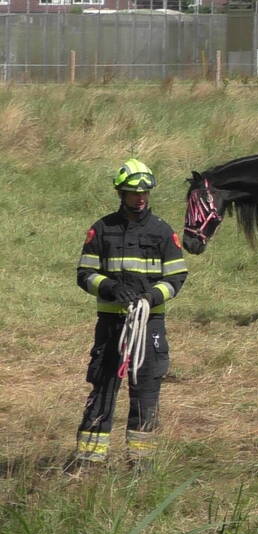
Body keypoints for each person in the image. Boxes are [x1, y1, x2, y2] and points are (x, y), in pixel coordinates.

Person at [66, 159, 188, 474]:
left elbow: (176, 278)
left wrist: (151, 296)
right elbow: (85, 274)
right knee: (103, 387)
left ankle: (140, 466)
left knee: (146, 391)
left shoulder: (162, 232)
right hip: (111, 326)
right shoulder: (102, 229)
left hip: (150, 326)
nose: (140, 198)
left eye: (145, 192)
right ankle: (89, 462)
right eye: (134, 192)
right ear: (121, 192)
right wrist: (107, 287)